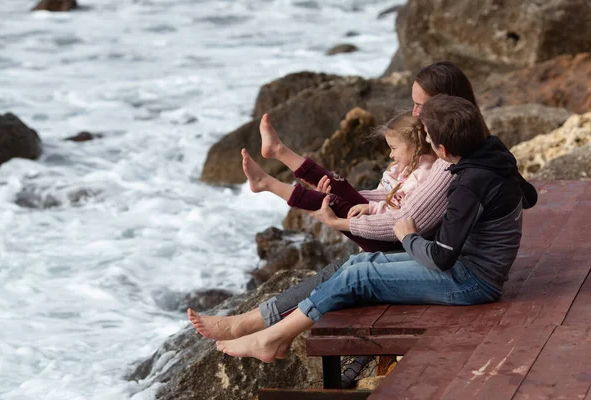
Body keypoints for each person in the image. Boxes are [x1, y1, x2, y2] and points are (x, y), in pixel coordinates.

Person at [187, 61, 532, 341]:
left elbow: (426, 240)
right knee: (350, 262)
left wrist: (346, 223)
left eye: (421, 108)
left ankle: (269, 335)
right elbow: (525, 195)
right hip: (454, 259)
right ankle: (261, 327)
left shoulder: (459, 173)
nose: (414, 114)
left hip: (464, 273)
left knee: (356, 273)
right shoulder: (485, 152)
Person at [241, 111, 436, 253]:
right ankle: (279, 151)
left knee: (332, 203)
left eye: (394, 148)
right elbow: (388, 197)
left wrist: (370, 208)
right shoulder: (410, 167)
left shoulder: (423, 173)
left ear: (415, 146)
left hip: (393, 241)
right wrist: (368, 202)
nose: (390, 154)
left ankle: (265, 183)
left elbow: (399, 213)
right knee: (338, 185)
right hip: (383, 223)